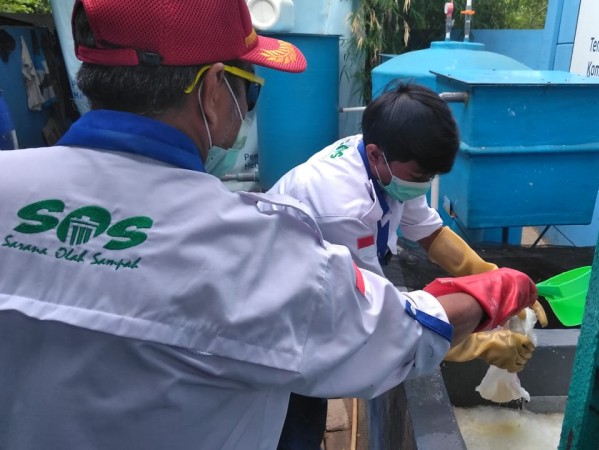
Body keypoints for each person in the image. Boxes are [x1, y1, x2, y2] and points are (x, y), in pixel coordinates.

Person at [0, 1, 539, 449]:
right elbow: (381, 334)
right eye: (250, 89)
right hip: (300, 345)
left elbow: (428, 229)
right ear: (213, 89)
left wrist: (482, 269)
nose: (247, 107)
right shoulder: (253, 245)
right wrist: (491, 301)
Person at [269, 82, 549, 448]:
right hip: (283, 323)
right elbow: (381, 327)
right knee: (292, 421)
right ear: (375, 155)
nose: (424, 185)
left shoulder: (390, 162)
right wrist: (480, 343)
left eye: (431, 177)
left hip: (317, 293)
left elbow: (432, 234)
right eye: (420, 178)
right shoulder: (344, 209)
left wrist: (499, 282)